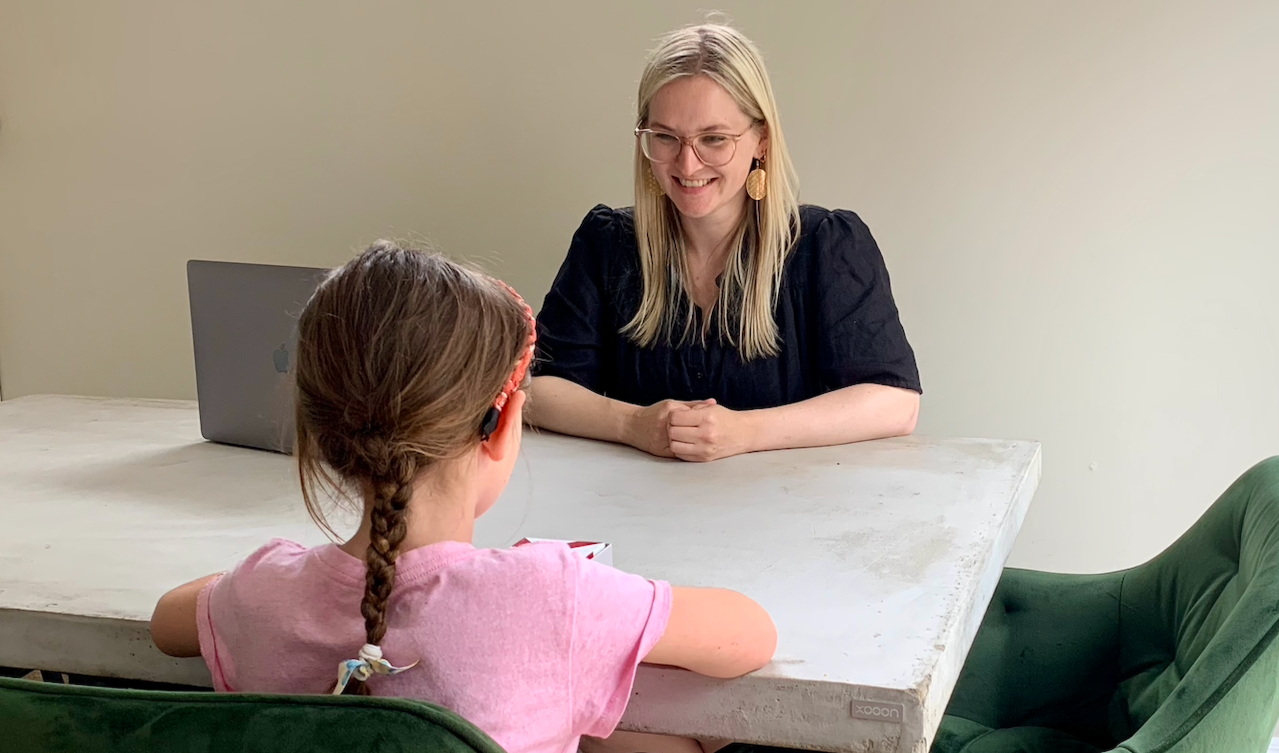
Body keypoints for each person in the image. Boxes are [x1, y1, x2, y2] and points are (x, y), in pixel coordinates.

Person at [148, 242, 777, 753]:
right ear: (503, 427)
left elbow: (167, 620)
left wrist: (272, 578)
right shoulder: (549, 595)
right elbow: (751, 634)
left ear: (318, 431)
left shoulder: (261, 595)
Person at [528, 23, 922, 463]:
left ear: (762, 140)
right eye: (665, 137)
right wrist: (633, 425)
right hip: (634, 517)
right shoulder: (607, 243)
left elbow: (895, 403)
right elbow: (537, 391)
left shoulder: (826, 246)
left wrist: (745, 431)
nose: (687, 163)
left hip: (794, 513)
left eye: (714, 139)